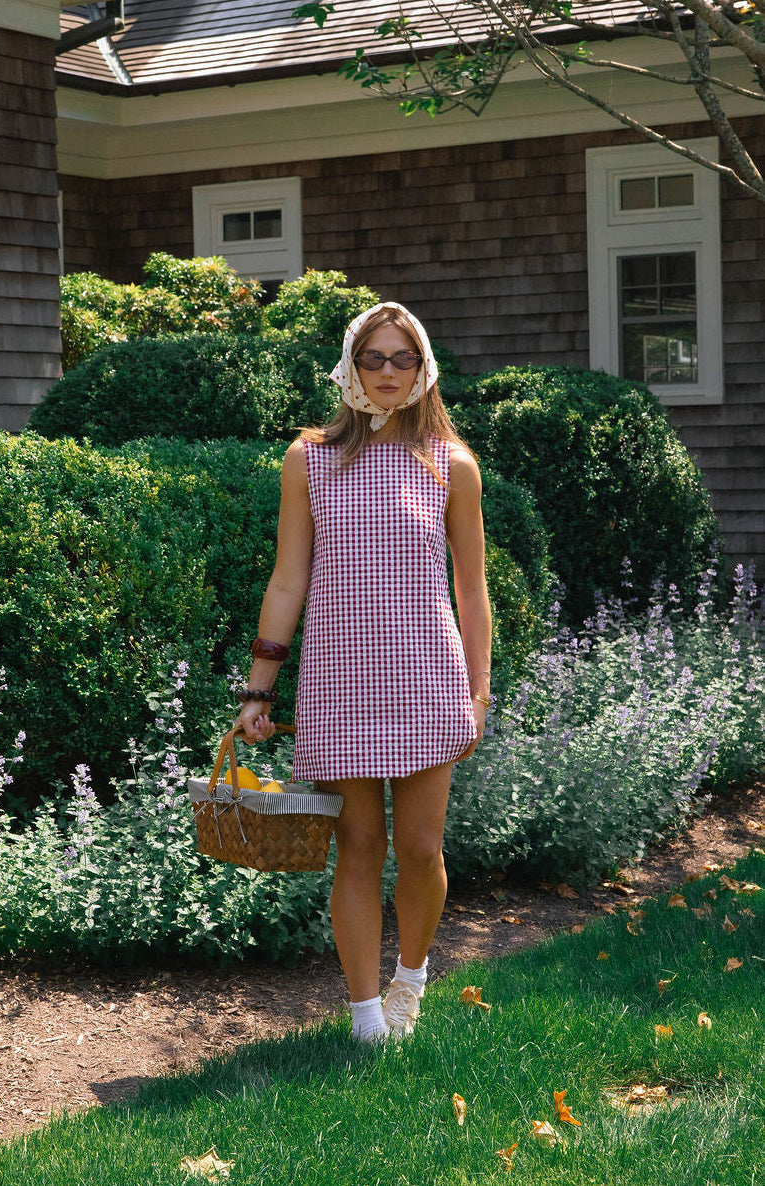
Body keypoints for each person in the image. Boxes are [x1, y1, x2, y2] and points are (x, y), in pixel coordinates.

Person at [234, 301, 492, 1042]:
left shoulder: (453, 463)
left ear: (423, 368)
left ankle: (409, 981)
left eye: (400, 358)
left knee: (419, 849)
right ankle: (364, 1015)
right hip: (339, 682)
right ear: (350, 367)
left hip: (428, 679)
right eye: (371, 358)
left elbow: (471, 590)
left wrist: (478, 692)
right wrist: (260, 689)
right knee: (358, 846)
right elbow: (288, 579)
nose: (385, 371)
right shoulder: (308, 458)